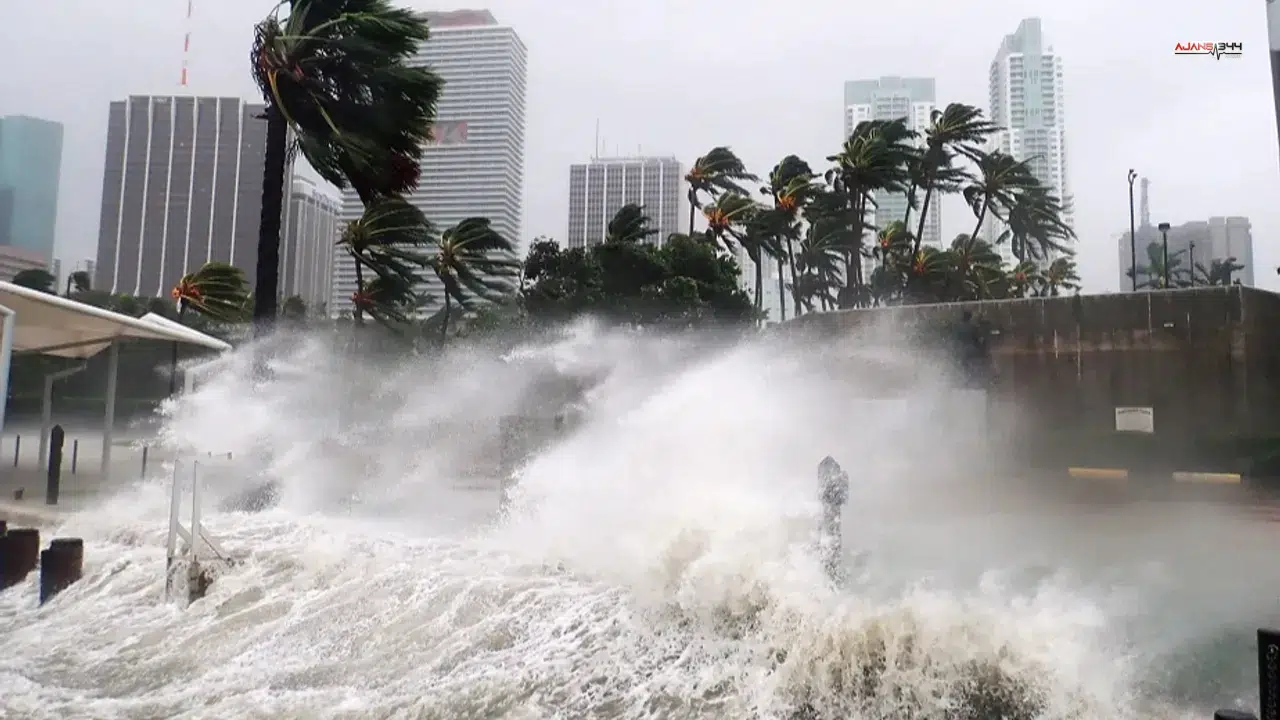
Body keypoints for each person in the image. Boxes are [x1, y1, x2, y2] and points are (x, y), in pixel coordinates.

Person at [817, 455, 849, 582]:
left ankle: (830, 577)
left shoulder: (833, 483)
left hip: (830, 517)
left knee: (831, 546)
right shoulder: (838, 480)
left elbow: (840, 498)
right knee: (832, 546)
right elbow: (843, 498)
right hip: (831, 518)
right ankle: (831, 577)